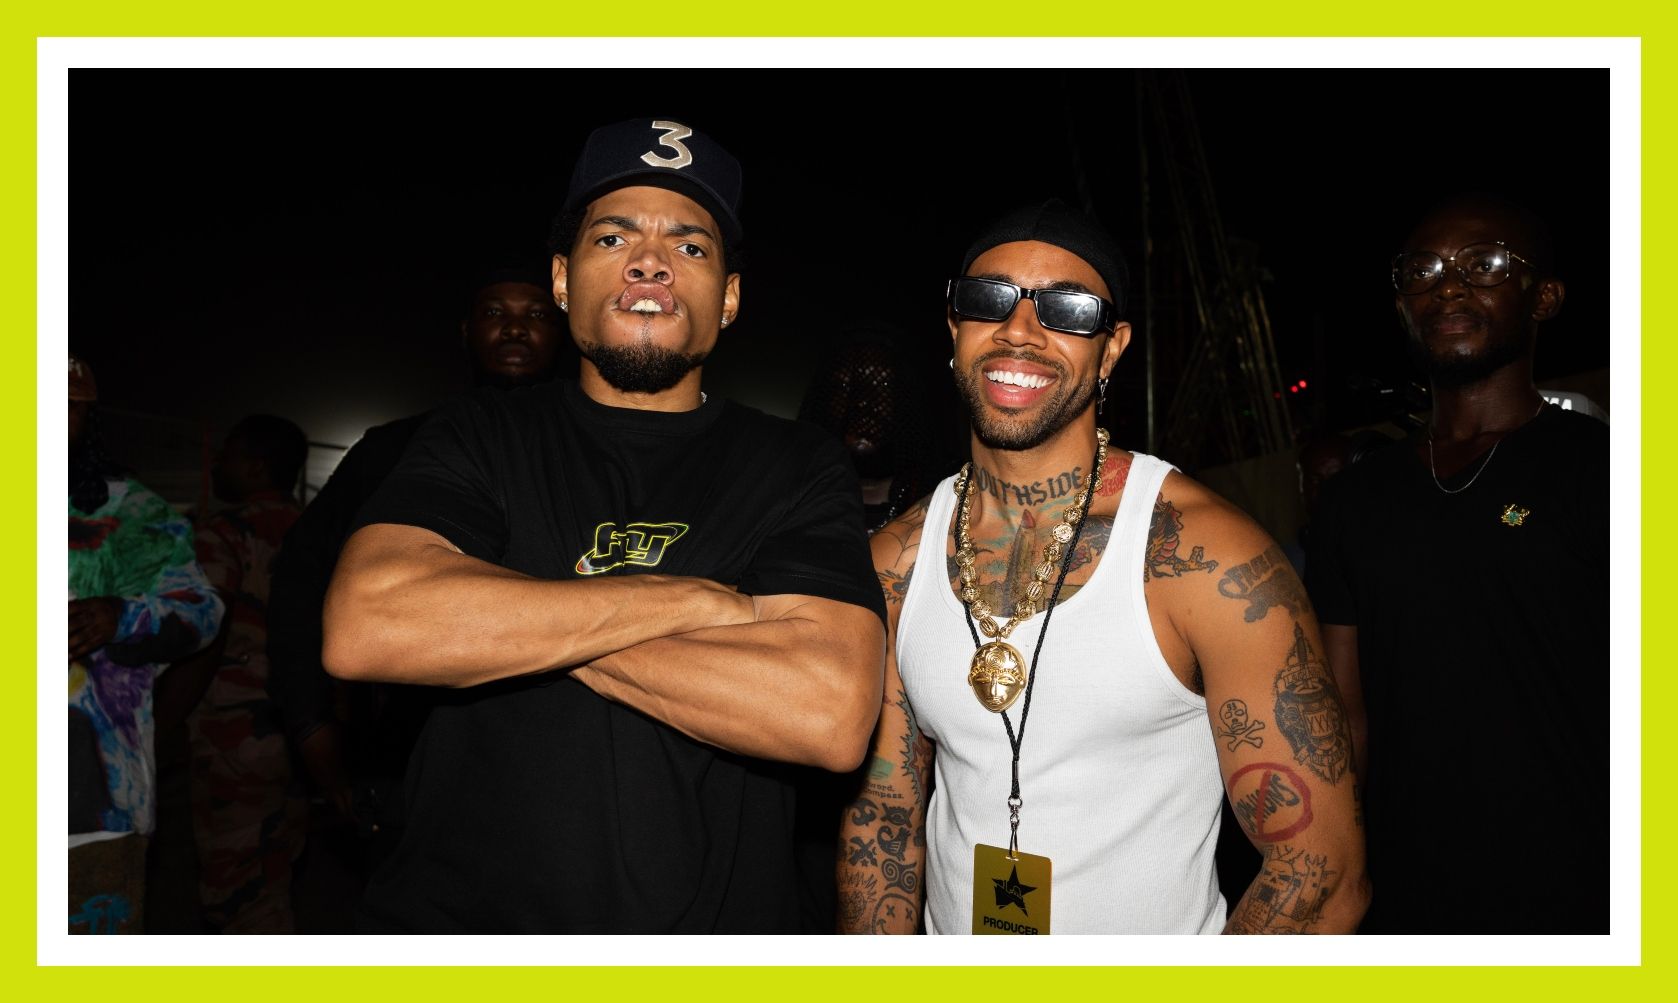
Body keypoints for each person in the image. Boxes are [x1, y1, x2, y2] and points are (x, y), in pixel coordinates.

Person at [321, 118, 886, 933]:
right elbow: (370, 623)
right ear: (562, 279)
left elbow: (826, 713)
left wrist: (494, 618)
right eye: (613, 236)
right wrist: (692, 601)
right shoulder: (478, 435)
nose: (650, 262)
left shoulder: (796, 464)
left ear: (729, 297)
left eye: (690, 245)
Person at [838, 200, 1368, 935]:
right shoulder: (895, 561)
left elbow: (1321, 875)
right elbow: (884, 817)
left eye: (1067, 309)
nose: (1020, 329)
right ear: (955, 326)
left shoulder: (1207, 559)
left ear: (1112, 349)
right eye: (989, 298)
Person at [1306, 195, 1608, 933]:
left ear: (1544, 297)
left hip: (1582, 894)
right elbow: (1343, 718)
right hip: (1406, 899)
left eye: (1484, 264)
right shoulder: (1352, 500)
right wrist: (1332, 878)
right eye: (1423, 271)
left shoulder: (1605, 470)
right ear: (1402, 306)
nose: (1447, 287)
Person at [266, 262, 565, 874]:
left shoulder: (599, 452)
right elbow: (301, 578)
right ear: (466, 331)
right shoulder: (393, 449)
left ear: (562, 333)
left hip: (565, 756)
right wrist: (310, 721)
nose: (515, 329)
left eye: (537, 315)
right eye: (494, 313)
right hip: (412, 753)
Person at [69, 353, 225, 934]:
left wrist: (121, 616)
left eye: (66, 408)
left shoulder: (125, 509)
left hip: (87, 803)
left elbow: (202, 611)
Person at [162, 414, 310, 932]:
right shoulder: (319, 532)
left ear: (255, 467)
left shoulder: (223, 533)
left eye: (226, 456)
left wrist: (166, 723)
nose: (216, 466)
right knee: (278, 870)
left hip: (234, 733)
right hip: (304, 729)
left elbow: (204, 633)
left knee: (237, 892)